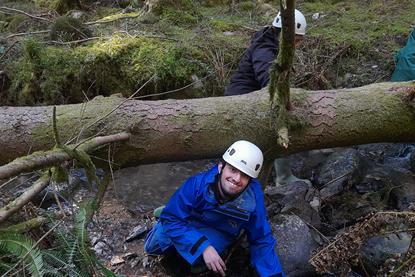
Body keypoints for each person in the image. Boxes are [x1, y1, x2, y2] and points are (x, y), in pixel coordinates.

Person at [144, 140, 285, 276]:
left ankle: (184, 226)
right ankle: (172, 209)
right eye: (233, 169)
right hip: (190, 220)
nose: (236, 178)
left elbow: (261, 239)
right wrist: (203, 247)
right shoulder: (198, 185)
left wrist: (274, 275)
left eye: (244, 175)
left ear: (250, 180)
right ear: (221, 167)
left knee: (189, 263)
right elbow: (171, 219)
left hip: (220, 230)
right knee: (152, 247)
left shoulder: (253, 199)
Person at [225, 9, 310, 187]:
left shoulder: (272, 44)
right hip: (240, 103)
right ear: (285, 34)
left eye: (299, 41)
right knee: (281, 121)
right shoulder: (265, 48)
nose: (297, 45)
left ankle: (271, 175)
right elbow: (268, 77)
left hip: (253, 100)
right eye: (295, 40)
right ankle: (283, 177)